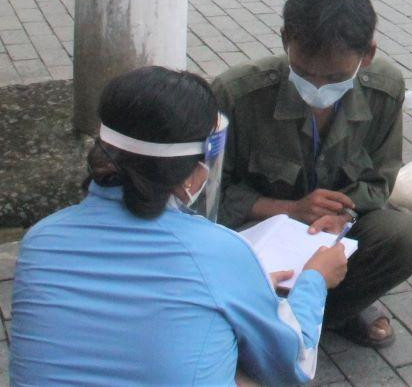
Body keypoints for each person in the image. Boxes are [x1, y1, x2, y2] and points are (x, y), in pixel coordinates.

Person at [10, 66, 348, 385]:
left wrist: (243, 286)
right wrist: (315, 279)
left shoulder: (40, 240)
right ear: (195, 170)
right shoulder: (219, 252)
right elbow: (293, 361)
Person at [215, 0, 412, 349]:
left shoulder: (384, 89)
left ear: (368, 54)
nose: (316, 87)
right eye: (302, 72)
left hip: (330, 233)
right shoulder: (237, 95)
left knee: (406, 235)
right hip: (254, 234)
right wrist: (287, 209)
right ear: (285, 41)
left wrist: (344, 216)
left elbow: (379, 181)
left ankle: (329, 314)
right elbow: (206, 196)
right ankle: (258, 315)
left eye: (334, 77)